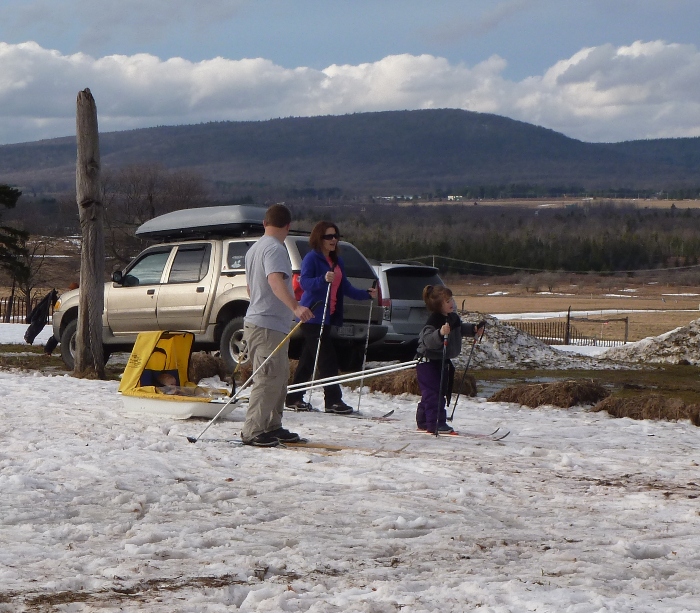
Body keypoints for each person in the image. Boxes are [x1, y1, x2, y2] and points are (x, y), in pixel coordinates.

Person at [285, 221, 377, 414]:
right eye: (329, 236)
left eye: (336, 236)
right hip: (312, 315)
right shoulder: (311, 259)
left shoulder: (337, 262)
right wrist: (322, 279)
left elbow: (345, 288)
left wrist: (366, 294)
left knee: (308, 360)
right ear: (319, 238)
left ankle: (293, 397)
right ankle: (333, 401)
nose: (333, 240)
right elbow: (305, 284)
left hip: (328, 317)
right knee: (327, 359)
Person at [241, 204, 313, 447]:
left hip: (267, 323)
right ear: (288, 226)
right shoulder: (274, 249)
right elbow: (274, 280)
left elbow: (251, 288)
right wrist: (295, 307)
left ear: (265, 223)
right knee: (268, 378)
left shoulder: (255, 249)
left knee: (280, 377)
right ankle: (253, 430)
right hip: (266, 326)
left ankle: (272, 425)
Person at [415, 285, 485, 434]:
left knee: (436, 391)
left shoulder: (453, 317)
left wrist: (473, 329)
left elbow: (458, 329)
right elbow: (428, 340)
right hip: (427, 362)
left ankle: (423, 421)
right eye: (447, 301)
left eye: (451, 299)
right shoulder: (434, 320)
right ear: (438, 304)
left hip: (441, 361)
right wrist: (440, 333)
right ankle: (436, 424)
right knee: (433, 393)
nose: (451, 303)